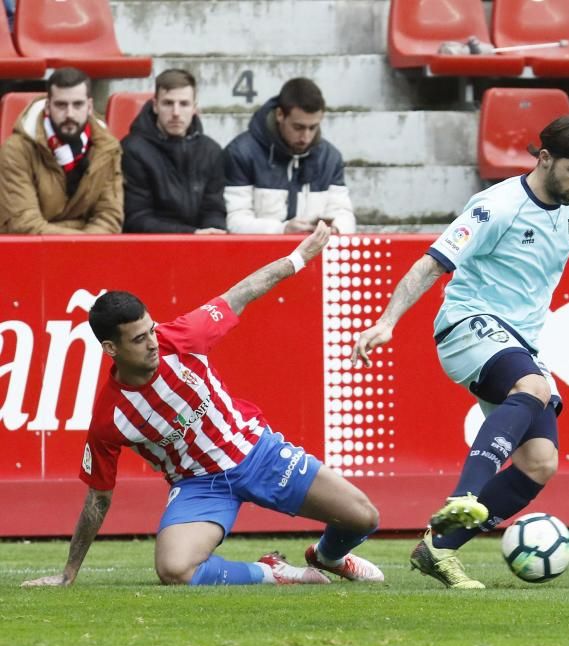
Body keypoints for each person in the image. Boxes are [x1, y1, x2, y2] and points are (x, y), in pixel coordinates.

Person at [351, 114, 569, 589]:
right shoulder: (497, 207)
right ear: (544, 158)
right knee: (533, 385)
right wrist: (387, 321)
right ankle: (463, 494)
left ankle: (438, 548)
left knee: (540, 462)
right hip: (467, 325)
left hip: (519, 340)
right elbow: (433, 263)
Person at [21, 222, 384, 588]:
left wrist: (298, 257)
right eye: (138, 339)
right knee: (175, 570)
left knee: (364, 517)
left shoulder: (183, 337)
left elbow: (242, 293)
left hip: (257, 453)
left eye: (151, 330)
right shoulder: (110, 418)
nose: (152, 343)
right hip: (200, 485)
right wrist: (68, 574)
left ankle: (328, 557)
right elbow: (99, 498)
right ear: (111, 349)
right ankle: (271, 572)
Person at [224, 77, 356, 235]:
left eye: (313, 127)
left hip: (311, 254)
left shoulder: (330, 157)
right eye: (298, 127)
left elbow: (344, 214)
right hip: (257, 256)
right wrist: (282, 230)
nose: (306, 137)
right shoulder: (241, 153)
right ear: (280, 115)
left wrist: (336, 229)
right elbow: (234, 221)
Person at [0, 67, 122, 235]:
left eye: (77, 104)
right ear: (48, 107)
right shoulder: (16, 150)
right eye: (61, 105)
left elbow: (109, 216)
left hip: (90, 252)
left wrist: (84, 248)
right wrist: (82, 241)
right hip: (32, 253)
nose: (69, 114)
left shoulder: (108, 147)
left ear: (90, 106)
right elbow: (23, 223)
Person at [121, 69, 227, 234]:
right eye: (168, 103)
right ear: (155, 105)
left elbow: (214, 209)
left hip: (201, 245)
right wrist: (191, 234)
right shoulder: (132, 150)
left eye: (184, 104)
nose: (176, 113)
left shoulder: (210, 150)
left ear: (194, 108)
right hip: (148, 249)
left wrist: (213, 231)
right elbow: (137, 218)